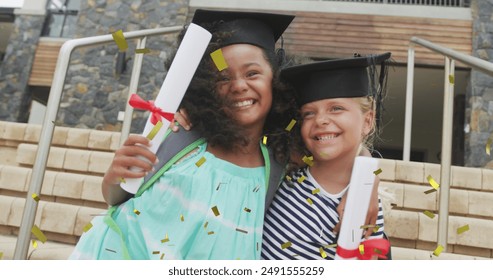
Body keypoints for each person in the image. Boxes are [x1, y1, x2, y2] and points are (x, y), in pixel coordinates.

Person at [69, 9, 297, 260]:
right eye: (222, 78)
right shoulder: (180, 133)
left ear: (275, 80)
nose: (239, 86)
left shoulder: (275, 163)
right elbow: (116, 198)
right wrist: (115, 176)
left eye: (252, 73)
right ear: (205, 87)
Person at [261, 52, 392, 260]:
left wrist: (366, 181)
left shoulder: (364, 204)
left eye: (336, 108)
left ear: (368, 121)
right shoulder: (286, 170)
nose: (321, 120)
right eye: (308, 113)